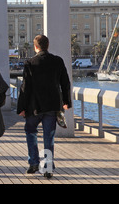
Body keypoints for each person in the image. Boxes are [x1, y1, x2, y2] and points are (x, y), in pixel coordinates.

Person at [17, 34, 72, 179]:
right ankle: (47, 168)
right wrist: (66, 101)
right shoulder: (57, 61)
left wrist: (21, 107)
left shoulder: (30, 63)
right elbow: (65, 83)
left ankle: (34, 163)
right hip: (52, 106)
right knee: (49, 137)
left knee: (31, 132)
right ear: (48, 45)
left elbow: (25, 87)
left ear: (35, 47)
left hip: (33, 106)